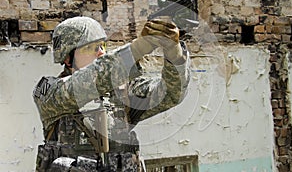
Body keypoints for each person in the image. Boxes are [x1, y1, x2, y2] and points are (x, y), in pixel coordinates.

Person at [33, 16, 190, 171]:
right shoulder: (49, 91)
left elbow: (171, 93)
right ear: (68, 58)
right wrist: (139, 48)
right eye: (90, 48)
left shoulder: (122, 93)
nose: (101, 53)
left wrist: (174, 53)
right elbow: (85, 83)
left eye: (102, 46)